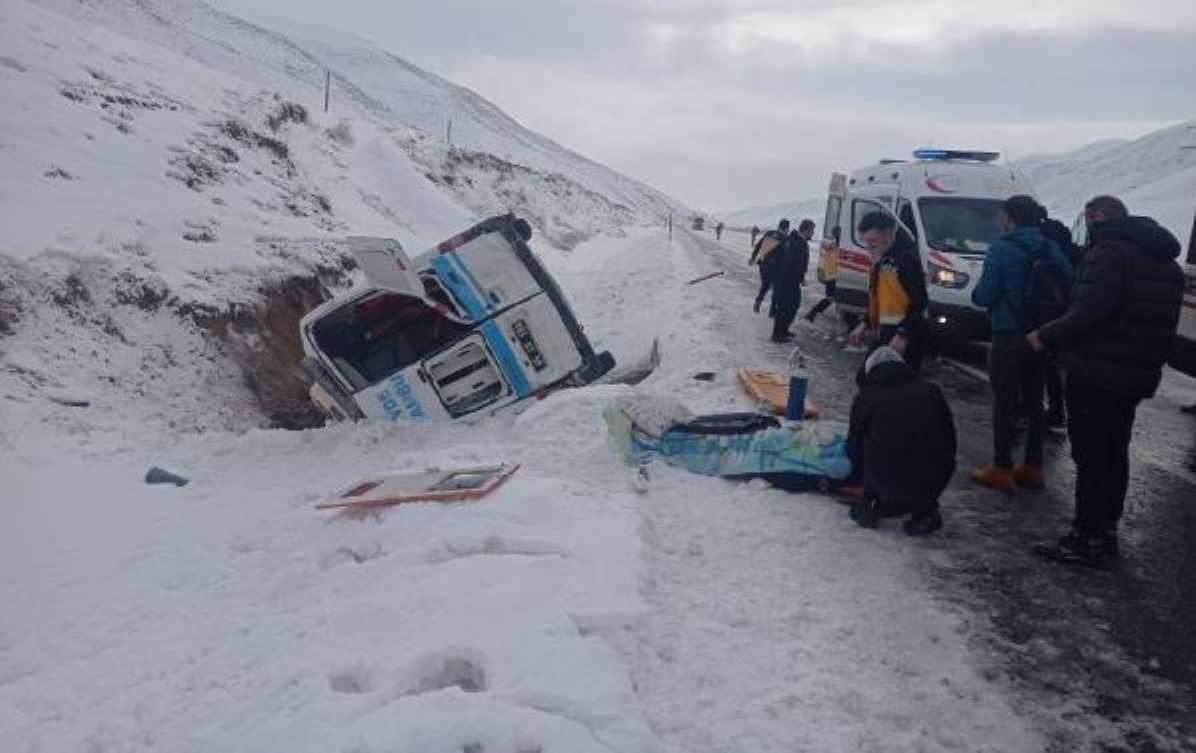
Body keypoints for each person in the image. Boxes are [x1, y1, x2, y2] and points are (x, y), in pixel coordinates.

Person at [1027, 195, 1185, 565]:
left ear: (1097, 216)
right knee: (1114, 451)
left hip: (1095, 370)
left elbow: (1088, 312)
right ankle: (1106, 530)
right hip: (1134, 373)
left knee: (1091, 454)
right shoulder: (1165, 261)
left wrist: (1044, 335)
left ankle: (1085, 535)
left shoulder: (1111, 254)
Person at [968, 195, 1073, 494]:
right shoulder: (1049, 246)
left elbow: (985, 295)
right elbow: (1069, 282)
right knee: (1034, 400)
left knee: (1005, 401)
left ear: (1010, 217)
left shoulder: (1002, 248)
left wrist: (981, 295)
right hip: (1040, 336)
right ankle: (1033, 467)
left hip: (1008, 333)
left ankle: (1001, 467)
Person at [846, 339, 956, 535]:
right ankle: (925, 511)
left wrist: (857, 478)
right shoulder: (931, 392)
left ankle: (870, 504)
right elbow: (949, 439)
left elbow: (853, 447)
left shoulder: (868, 396)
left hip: (886, 479)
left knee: (871, 442)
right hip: (933, 481)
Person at [847, 212, 930, 370]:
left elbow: (920, 301)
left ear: (888, 235)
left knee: (891, 383)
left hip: (908, 333)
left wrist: (903, 334)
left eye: (872, 241)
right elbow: (877, 298)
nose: (868, 246)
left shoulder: (905, 258)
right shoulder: (882, 258)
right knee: (868, 377)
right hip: (887, 331)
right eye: (866, 241)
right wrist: (865, 323)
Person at [1035, 203, 1080, 429]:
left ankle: (1038, 410)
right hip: (1063, 309)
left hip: (1044, 308)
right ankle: (1056, 410)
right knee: (1054, 364)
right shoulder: (1061, 233)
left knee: (1038, 361)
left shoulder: (1042, 240)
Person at [769, 219, 814, 343]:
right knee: (786, 307)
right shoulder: (796, 242)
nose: (813, 234)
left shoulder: (795, 239)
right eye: (812, 231)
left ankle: (783, 330)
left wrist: (801, 276)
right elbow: (793, 264)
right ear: (806, 230)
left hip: (789, 279)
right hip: (786, 280)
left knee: (792, 305)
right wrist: (801, 277)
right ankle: (777, 334)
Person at [749, 219, 789, 315]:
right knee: (776, 288)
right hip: (775, 267)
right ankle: (772, 311)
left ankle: (758, 302)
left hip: (762, 265)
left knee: (766, 285)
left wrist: (753, 257)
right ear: (787, 228)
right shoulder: (784, 238)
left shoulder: (769, 233)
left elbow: (758, 245)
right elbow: (786, 254)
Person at [804, 229, 840, 323]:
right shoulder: (831, 245)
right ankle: (812, 313)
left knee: (833, 298)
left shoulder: (836, 246)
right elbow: (824, 243)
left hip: (834, 275)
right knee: (831, 298)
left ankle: (812, 313)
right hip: (832, 276)